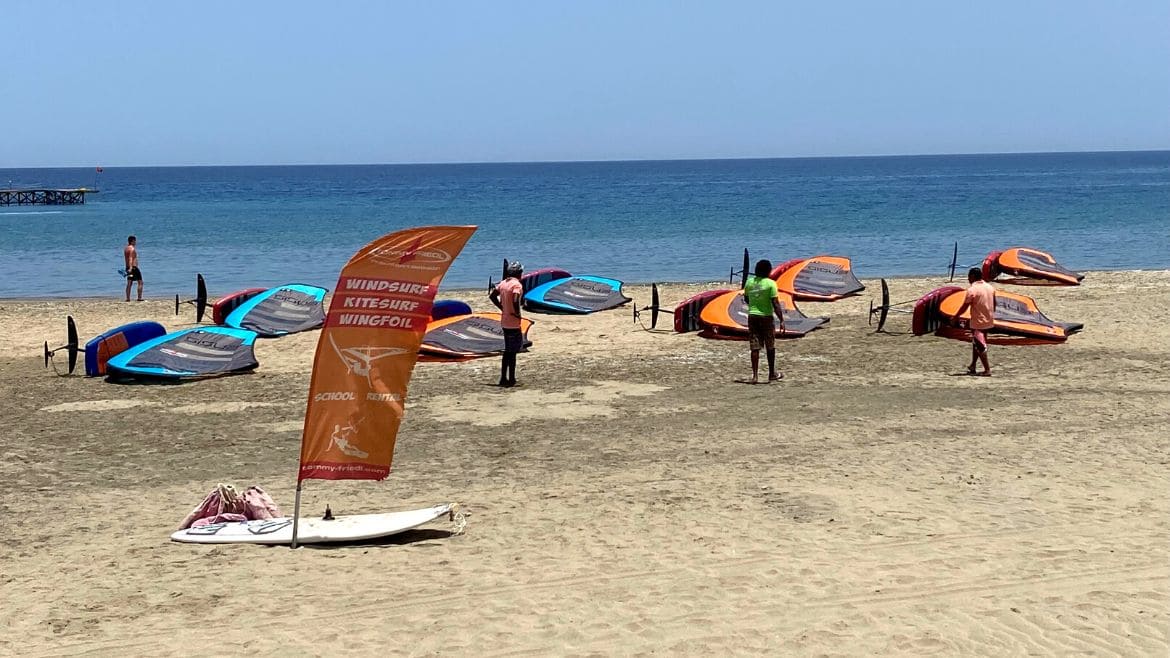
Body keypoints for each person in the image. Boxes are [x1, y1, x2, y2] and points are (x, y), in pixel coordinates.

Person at [742, 259, 786, 384]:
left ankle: (755, 376)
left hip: (753, 316)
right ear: (769, 271)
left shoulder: (749, 282)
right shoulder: (771, 284)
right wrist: (781, 320)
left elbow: (746, 298)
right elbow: (775, 303)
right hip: (766, 316)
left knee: (754, 346)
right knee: (770, 345)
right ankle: (771, 373)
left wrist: (754, 305)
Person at [952, 267, 996, 376]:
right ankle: (973, 365)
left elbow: (964, 306)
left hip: (978, 322)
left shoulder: (972, 290)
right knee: (976, 343)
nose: (968, 279)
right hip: (988, 320)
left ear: (972, 276)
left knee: (980, 345)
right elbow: (995, 304)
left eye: (968, 276)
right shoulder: (990, 287)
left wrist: (956, 316)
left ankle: (987, 370)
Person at [489, 261, 524, 387]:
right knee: (513, 352)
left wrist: (502, 308)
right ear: (519, 273)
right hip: (513, 322)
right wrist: (517, 313)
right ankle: (512, 379)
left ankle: (503, 377)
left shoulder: (503, 283)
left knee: (507, 351)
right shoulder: (517, 285)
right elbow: (515, 299)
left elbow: (492, 296)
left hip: (504, 321)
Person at [123, 235, 143, 302]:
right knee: (140, 282)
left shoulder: (126, 248)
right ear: (132, 241)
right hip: (133, 268)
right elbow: (130, 258)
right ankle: (139, 298)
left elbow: (127, 259)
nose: (136, 242)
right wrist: (131, 268)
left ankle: (128, 298)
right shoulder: (132, 249)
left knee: (129, 283)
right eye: (135, 241)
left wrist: (128, 268)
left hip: (128, 267)